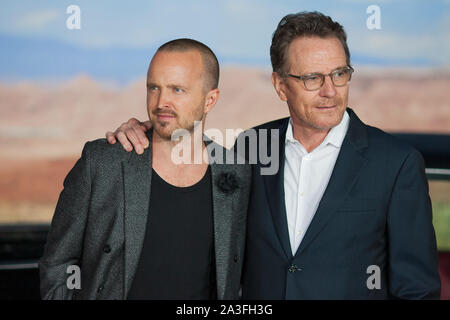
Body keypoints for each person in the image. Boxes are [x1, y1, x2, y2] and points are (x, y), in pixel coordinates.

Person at [106, 12, 441, 299]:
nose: (330, 91)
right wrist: (146, 131)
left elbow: (416, 290)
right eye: (312, 78)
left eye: (339, 74)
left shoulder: (396, 164)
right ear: (281, 86)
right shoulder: (249, 147)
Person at [39, 38, 251, 300]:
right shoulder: (102, 163)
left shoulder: (236, 173)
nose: (161, 101)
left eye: (177, 90)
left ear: (210, 100)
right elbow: (58, 264)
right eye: (154, 87)